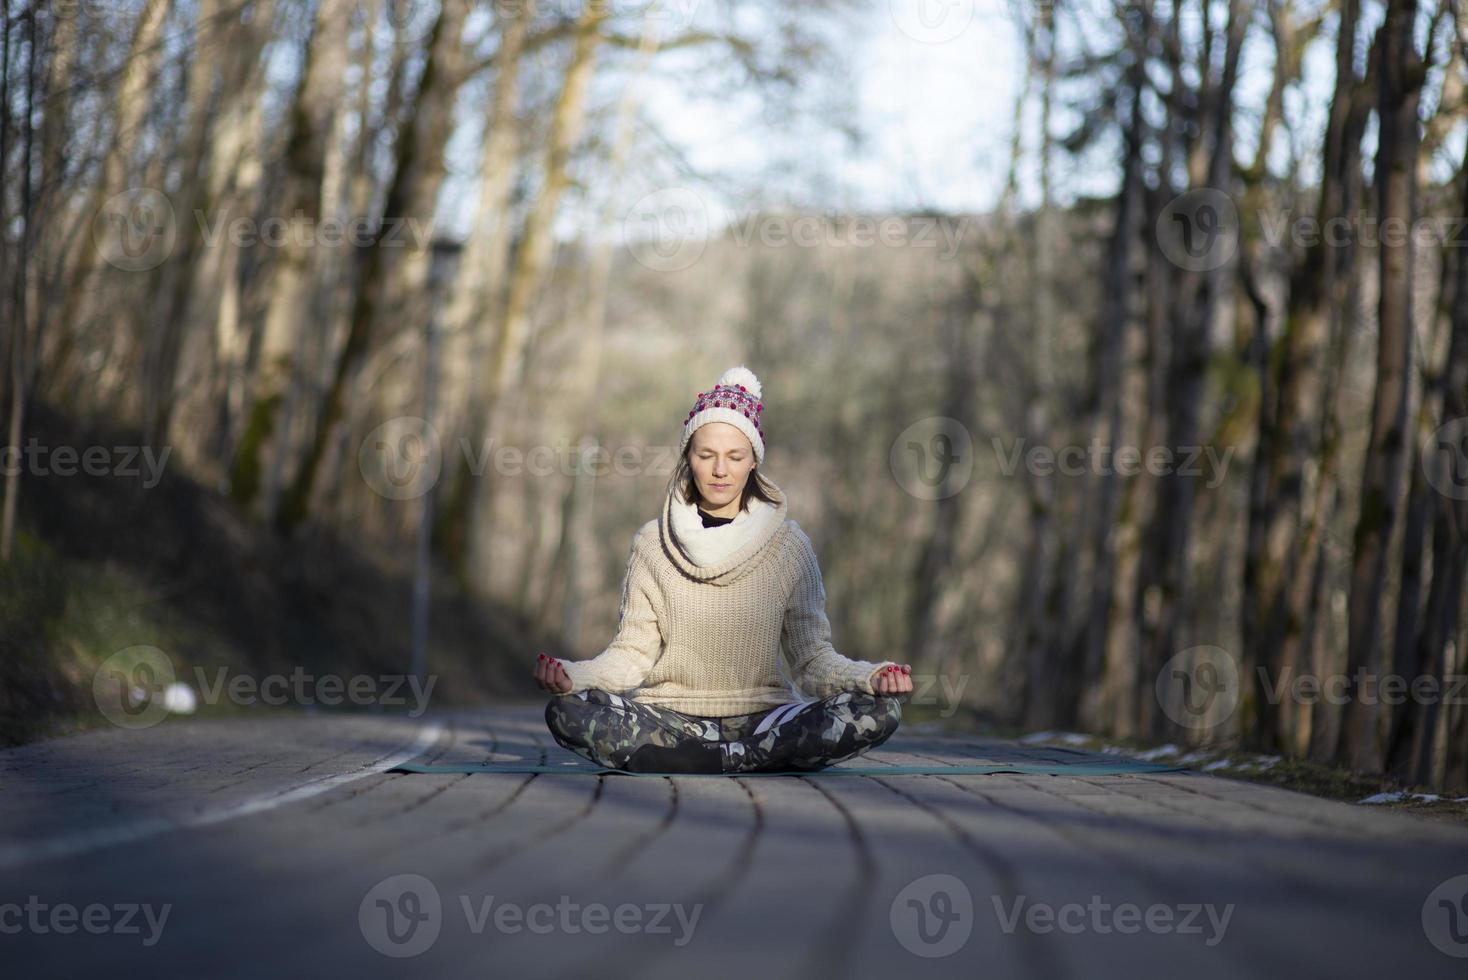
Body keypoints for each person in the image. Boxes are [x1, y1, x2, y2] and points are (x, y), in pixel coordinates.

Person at [534, 365, 912, 774]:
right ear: (688, 457)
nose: (720, 470)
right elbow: (632, 655)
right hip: (670, 720)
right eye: (706, 455)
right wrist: (576, 676)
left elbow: (811, 661)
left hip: (765, 722)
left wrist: (870, 679)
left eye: (735, 456)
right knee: (568, 712)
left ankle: (713, 760)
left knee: (877, 711)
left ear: (753, 462)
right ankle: (740, 761)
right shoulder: (651, 545)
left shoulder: (789, 547)